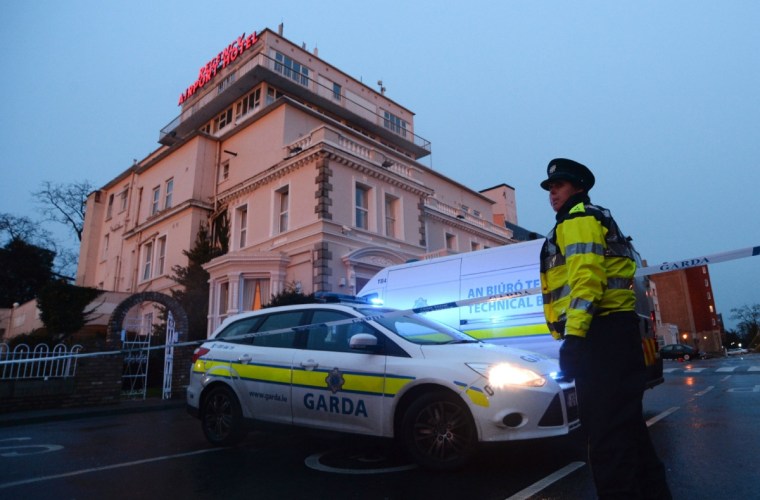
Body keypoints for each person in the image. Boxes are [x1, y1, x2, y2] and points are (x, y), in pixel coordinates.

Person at [538, 158, 671, 499]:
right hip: (617, 332)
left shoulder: (578, 219)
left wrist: (574, 337)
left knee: (606, 440)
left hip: (601, 336)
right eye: (551, 188)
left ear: (578, 188)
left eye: (560, 186)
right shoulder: (595, 217)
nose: (553, 193)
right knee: (629, 432)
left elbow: (587, 282)